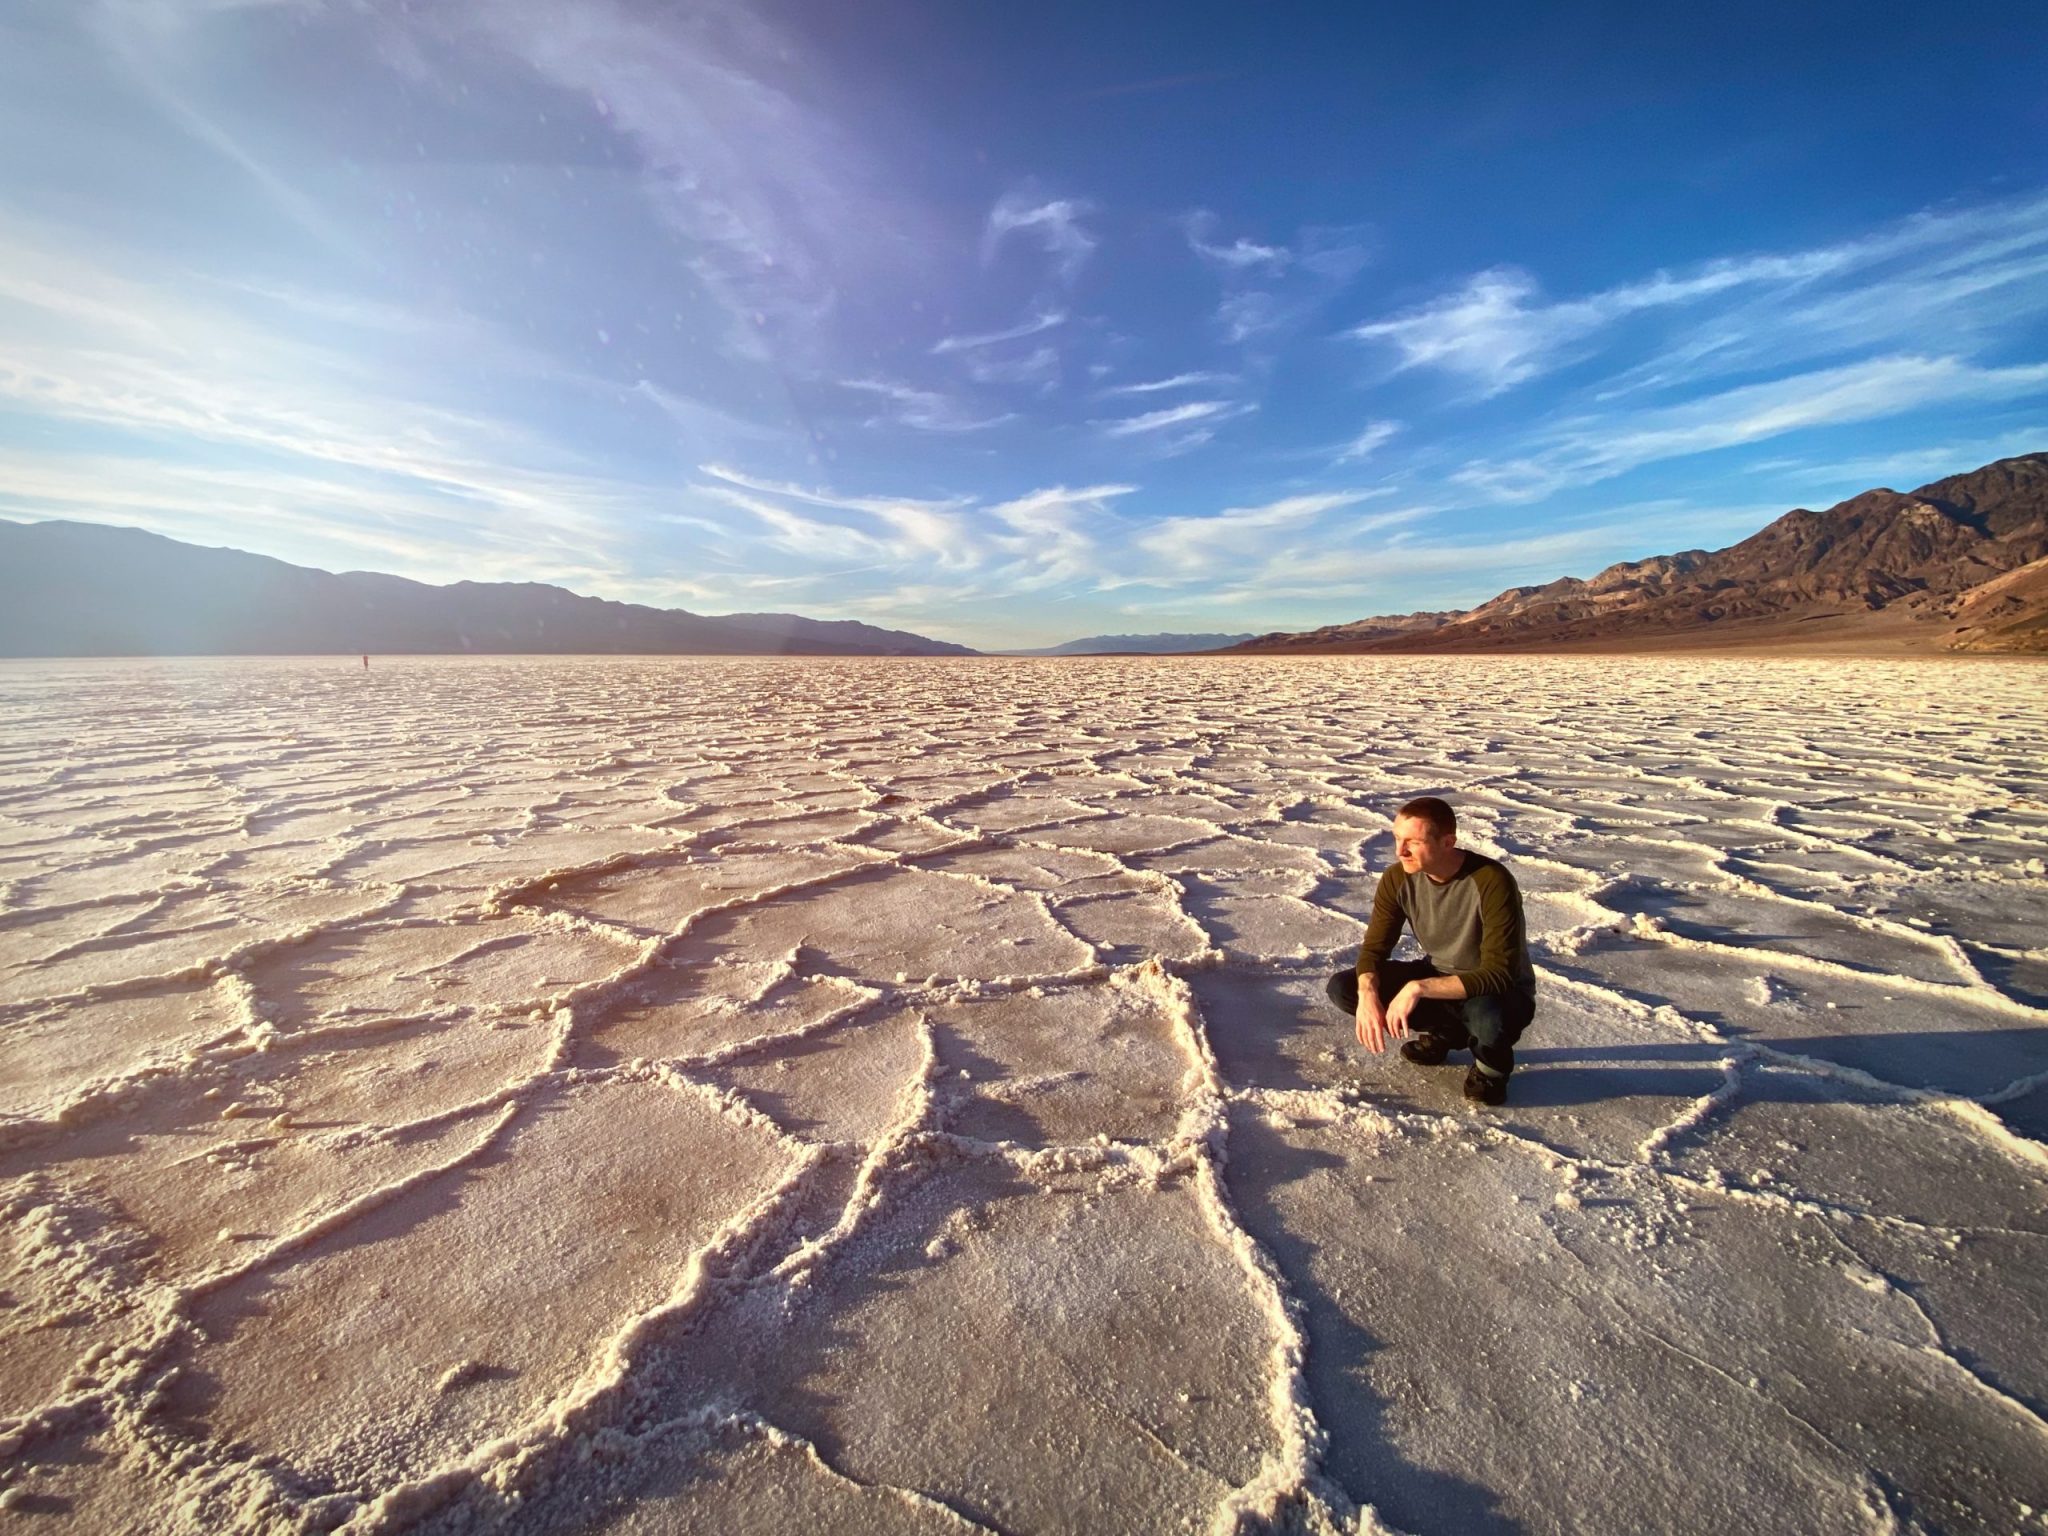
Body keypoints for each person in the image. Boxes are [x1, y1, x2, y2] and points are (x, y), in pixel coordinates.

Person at [1326, 796, 1536, 1106]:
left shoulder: (1491, 881)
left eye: (1412, 841)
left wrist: (1418, 988)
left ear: (1447, 842)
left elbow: (1499, 974)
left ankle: (1491, 1069)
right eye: (1397, 838)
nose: (1400, 851)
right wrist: (1368, 992)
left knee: (1486, 1015)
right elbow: (1374, 948)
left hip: (1499, 992)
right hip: (1440, 973)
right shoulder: (1398, 878)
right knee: (1345, 988)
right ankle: (1448, 1031)